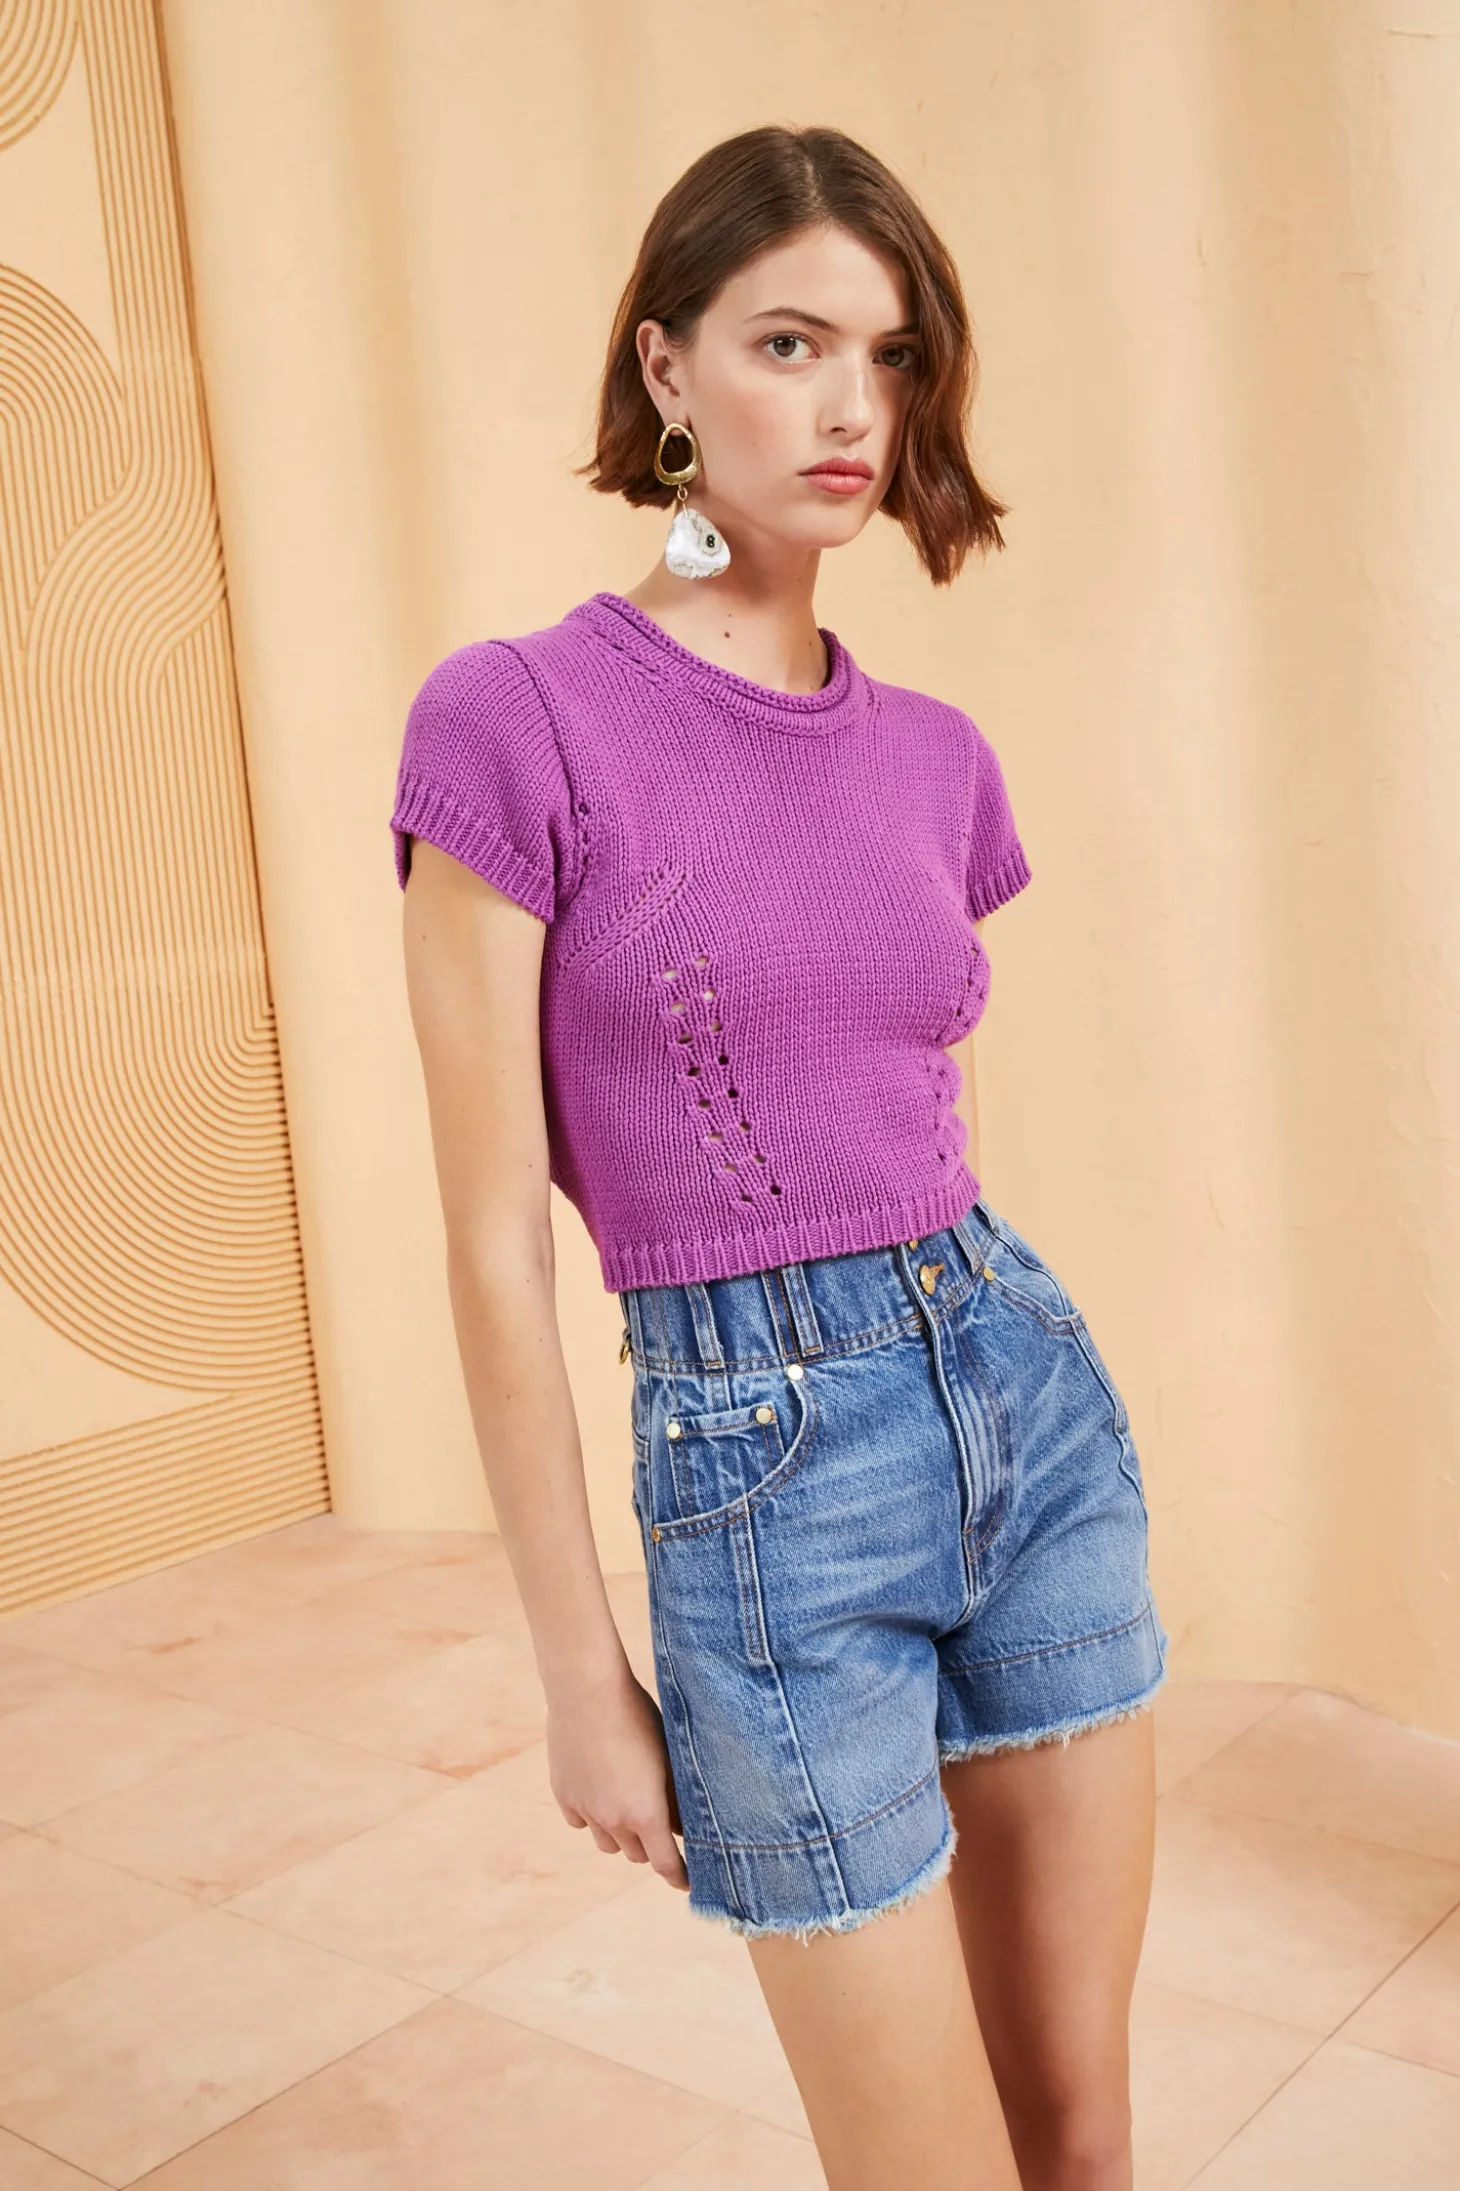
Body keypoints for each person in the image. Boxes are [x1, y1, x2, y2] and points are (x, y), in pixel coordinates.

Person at [391, 123, 1167, 2191]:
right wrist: (584, 1675)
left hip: (1026, 1413)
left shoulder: (937, 760)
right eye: (788, 341)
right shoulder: (515, 721)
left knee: (1083, 2139)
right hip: (765, 1485)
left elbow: (919, 1125)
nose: (847, 407)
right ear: (665, 367)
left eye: (888, 357)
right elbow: (492, 1235)